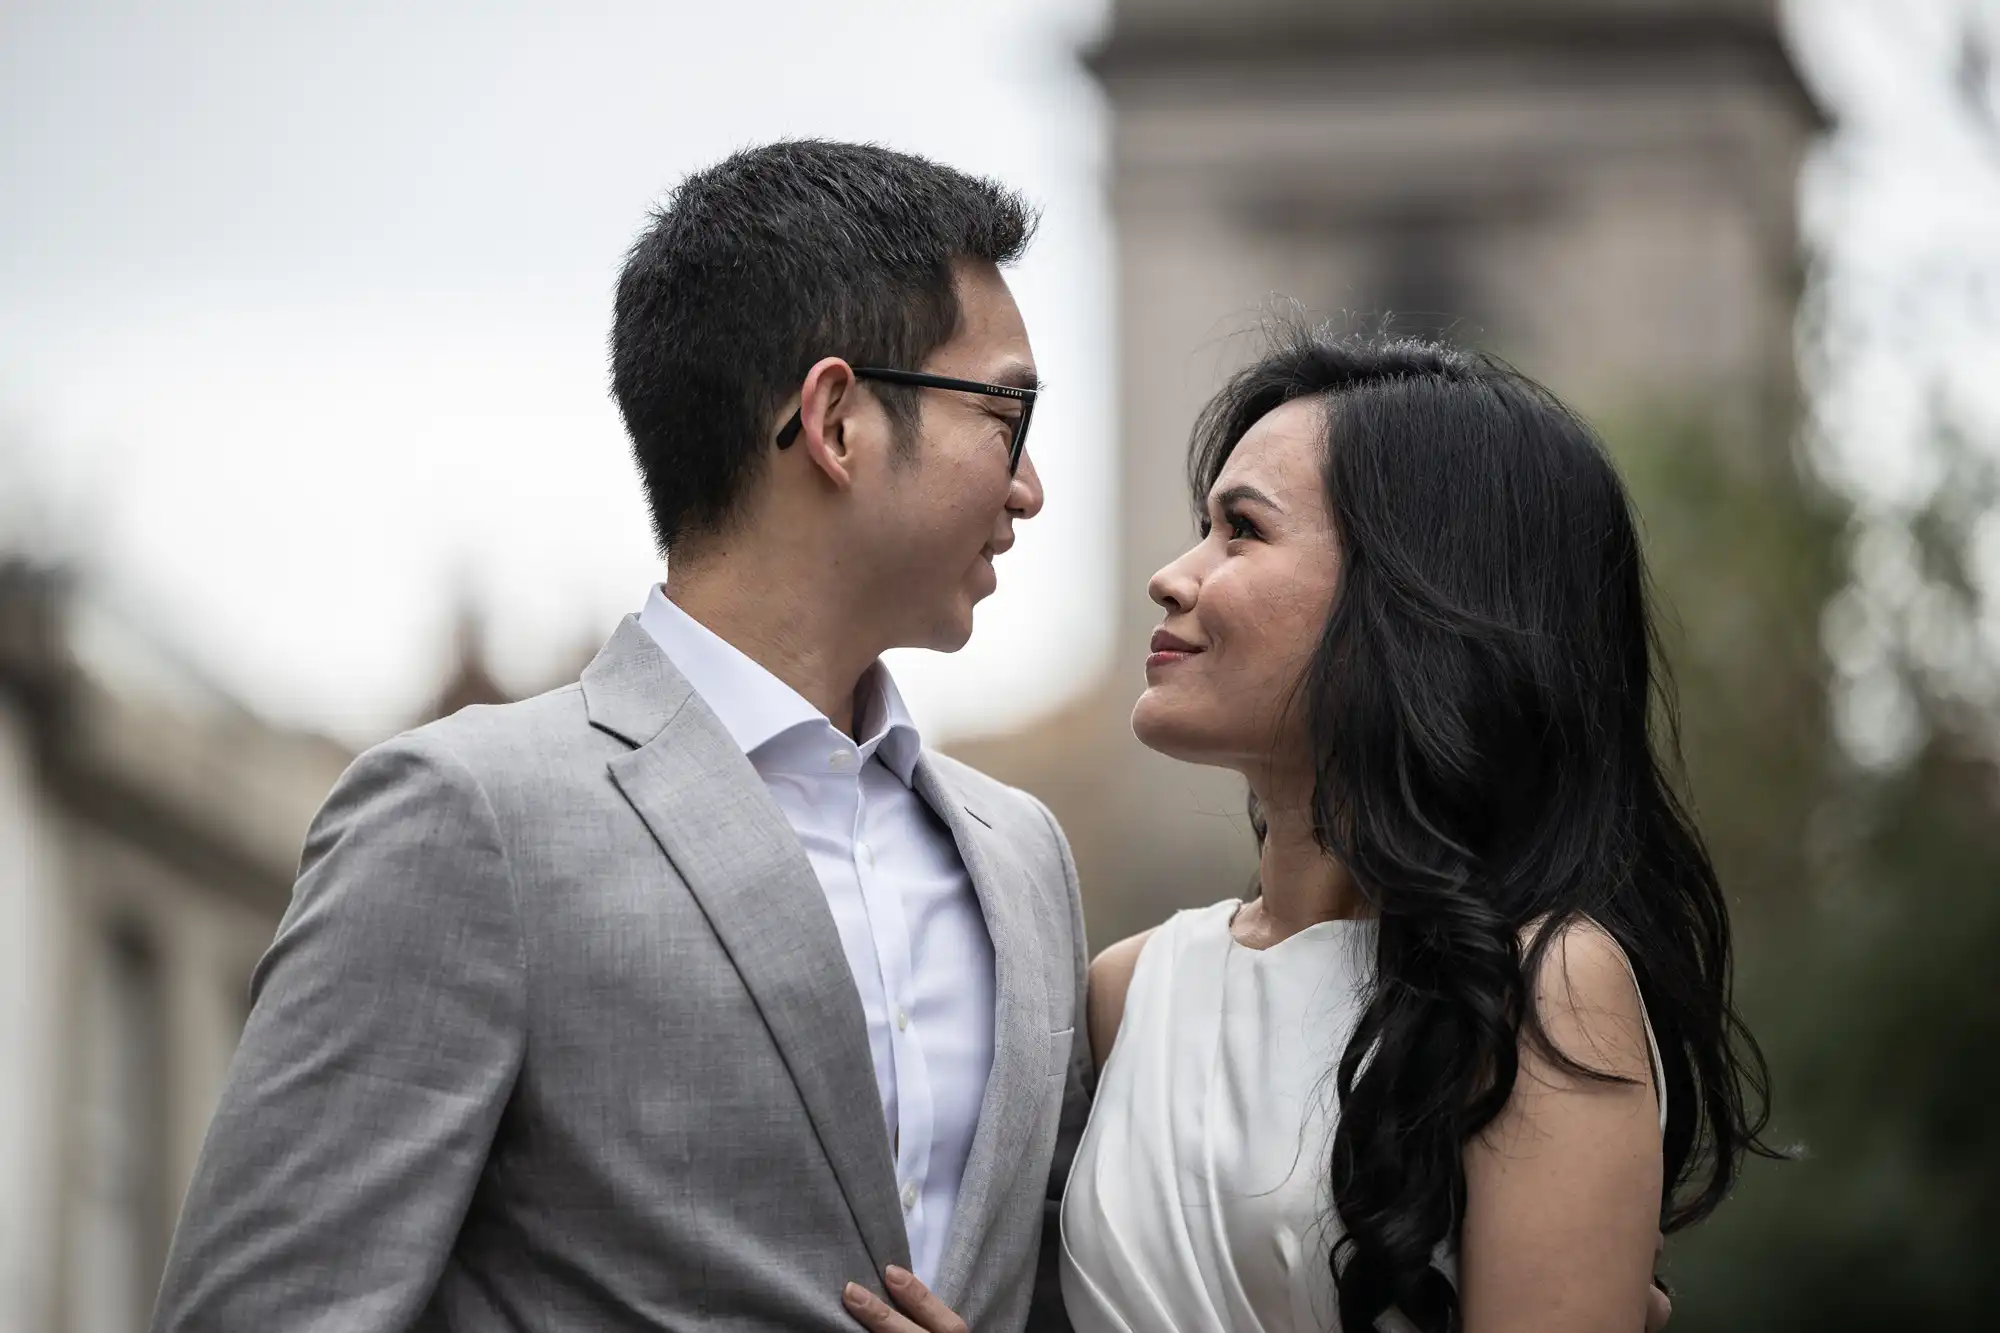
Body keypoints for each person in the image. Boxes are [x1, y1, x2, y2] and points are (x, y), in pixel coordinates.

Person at [150, 140, 1093, 1333]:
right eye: (1006, 412)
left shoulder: (1025, 860)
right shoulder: (467, 817)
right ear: (837, 419)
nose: (1029, 486)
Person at [843, 327, 1765, 1333]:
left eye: (1240, 530)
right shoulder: (1124, 990)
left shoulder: (1544, 989)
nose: (1172, 575)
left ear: (1416, 595)